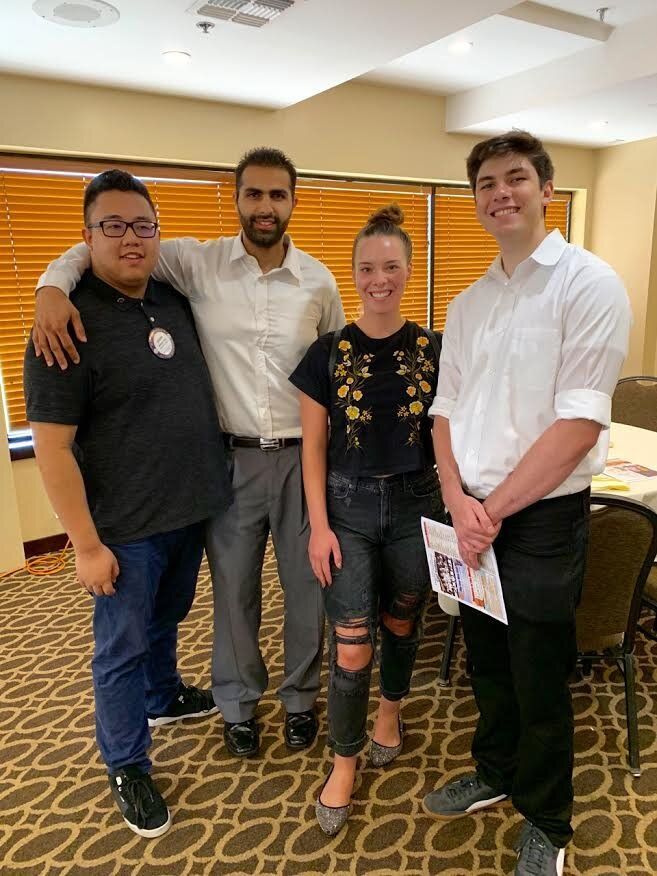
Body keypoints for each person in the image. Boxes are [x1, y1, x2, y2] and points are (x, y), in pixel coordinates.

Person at [31, 148, 345, 758]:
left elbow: (331, 373)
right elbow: (107, 242)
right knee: (233, 591)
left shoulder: (319, 281)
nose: (264, 206)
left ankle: (302, 698)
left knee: (307, 585)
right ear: (236, 199)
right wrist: (49, 285)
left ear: (293, 203)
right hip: (228, 462)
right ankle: (237, 704)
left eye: (277, 195)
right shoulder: (194, 262)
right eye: (253, 194)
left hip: (303, 456)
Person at [422, 132, 631, 876]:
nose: (499, 192)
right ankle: (495, 769)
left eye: (515, 178)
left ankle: (547, 818)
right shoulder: (468, 301)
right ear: (474, 197)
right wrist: (454, 496)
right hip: (467, 513)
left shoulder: (588, 284)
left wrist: (494, 510)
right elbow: (443, 409)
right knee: (485, 664)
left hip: (536, 522)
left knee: (539, 676)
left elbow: (576, 424)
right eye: (485, 182)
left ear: (547, 189)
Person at [23, 170, 232, 837]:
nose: (131, 239)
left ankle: (162, 693)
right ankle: (126, 761)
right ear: (86, 238)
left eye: (143, 225)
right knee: (119, 646)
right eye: (112, 226)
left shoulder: (172, 296)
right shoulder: (65, 322)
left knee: (168, 618)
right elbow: (52, 450)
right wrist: (84, 546)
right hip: (122, 530)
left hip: (188, 509)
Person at [289, 205, 444, 835]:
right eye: (366, 267)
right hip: (346, 509)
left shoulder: (435, 351)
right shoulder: (324, 354)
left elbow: (447, 435)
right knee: (351, 645)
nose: (379, 277)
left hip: (417, 503)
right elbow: (313, 448)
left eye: (391, 266)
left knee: (402, 619)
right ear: (353, 274)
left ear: (408, 270)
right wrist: (319, 527)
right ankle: (344, 761)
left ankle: (391, 708)